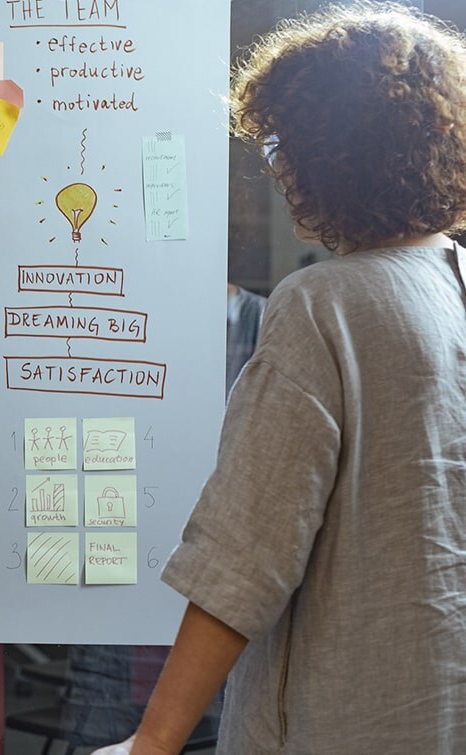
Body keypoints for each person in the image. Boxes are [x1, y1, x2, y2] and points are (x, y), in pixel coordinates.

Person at [100, 4, 466, 753]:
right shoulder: (453, 281)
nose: (277, 167)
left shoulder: (325, 304)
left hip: (342, 714)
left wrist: (154, 740)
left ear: (335, 152)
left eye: (281, 143)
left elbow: (246, 553)